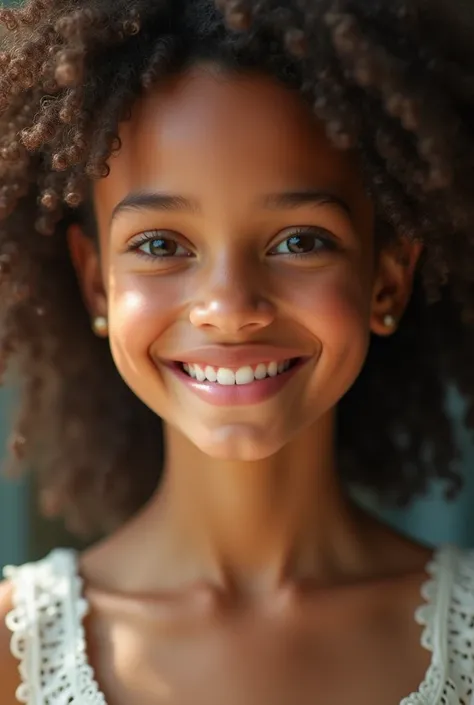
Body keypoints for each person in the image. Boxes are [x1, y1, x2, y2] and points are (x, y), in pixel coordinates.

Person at [0, 0, 472, 702]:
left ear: (387, 275)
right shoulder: (15, 652)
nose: (228, 308)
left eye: (300, 241)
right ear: (97, 282)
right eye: (160, 245)